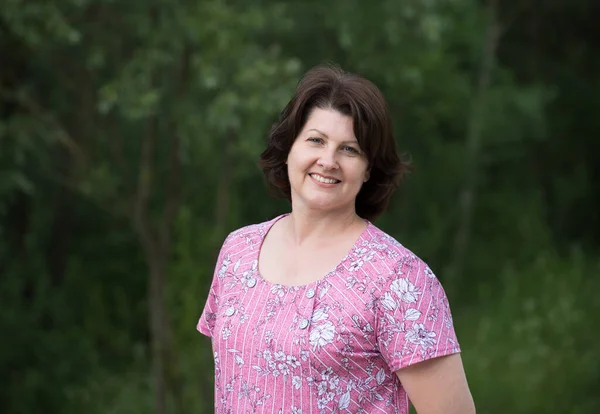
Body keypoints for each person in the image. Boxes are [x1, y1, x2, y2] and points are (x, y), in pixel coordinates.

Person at [197, 64, 475, 413]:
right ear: (289, 149)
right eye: (316, 140)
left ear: (369, 168)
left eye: (350, 150)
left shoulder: (399, 279)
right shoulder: (237, 251)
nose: (328, 160)